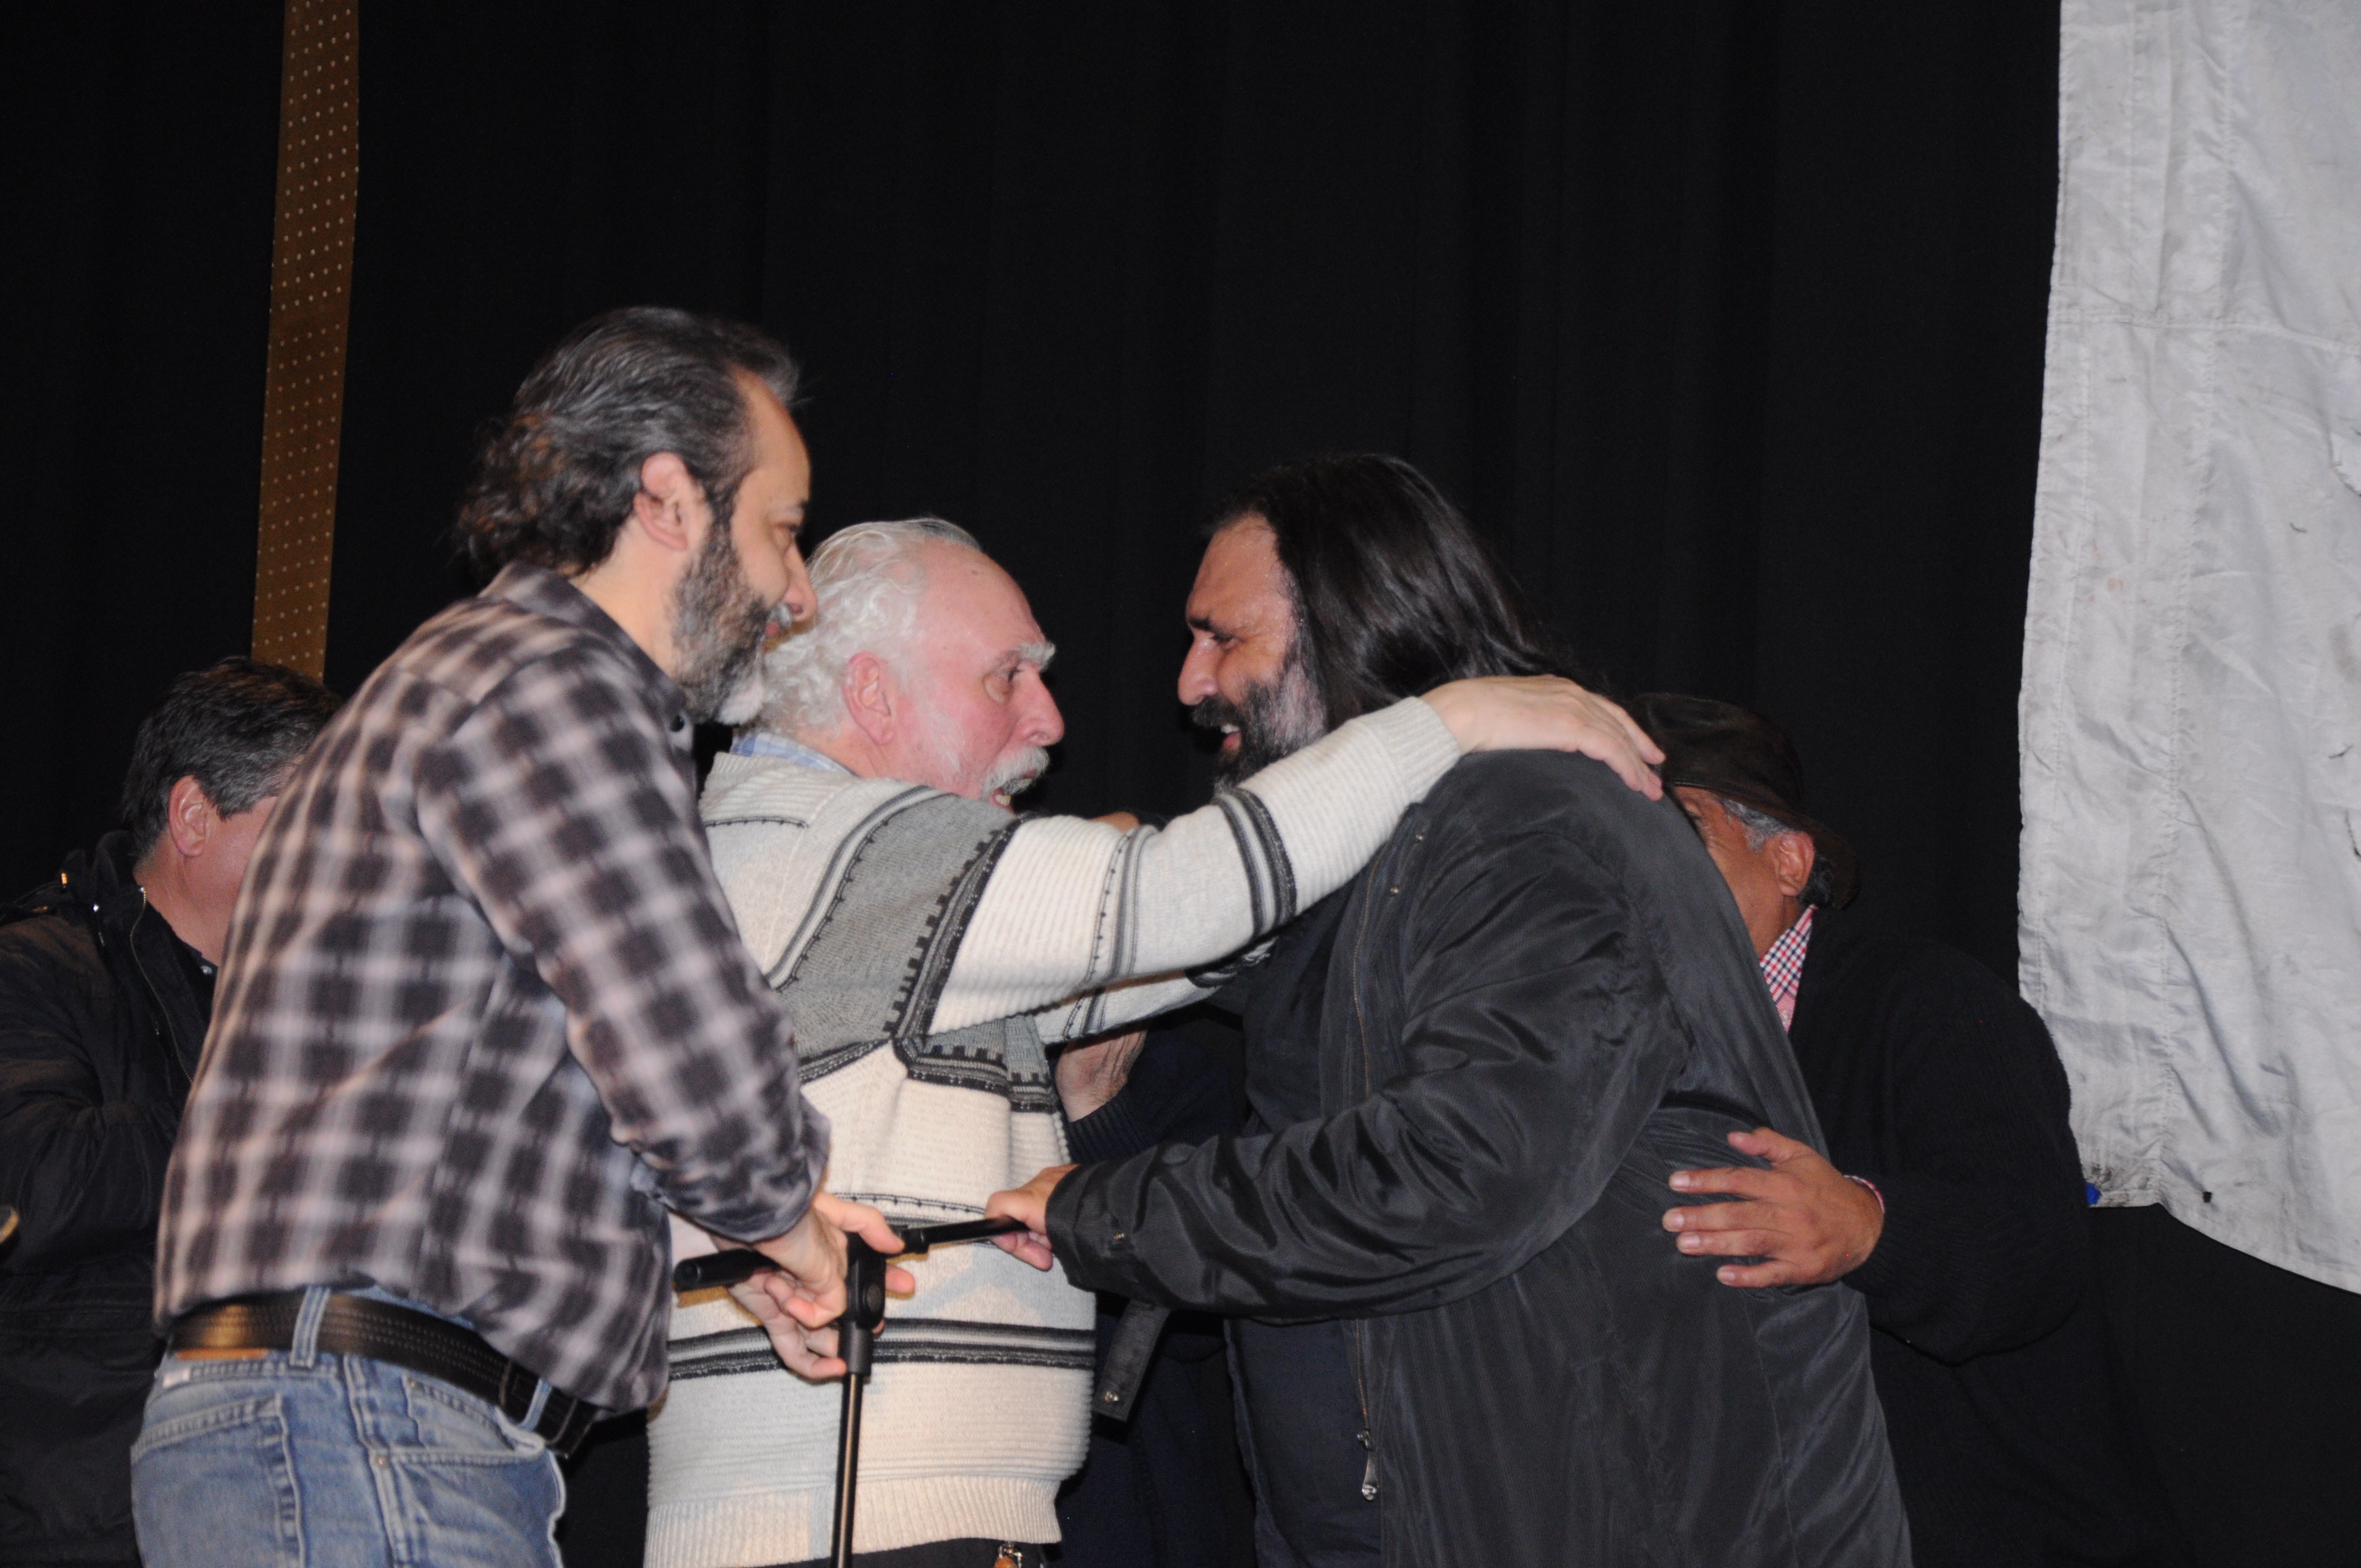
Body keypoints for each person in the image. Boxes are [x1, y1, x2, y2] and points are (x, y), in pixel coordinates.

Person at [648, 517, 1658, 1568]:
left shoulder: (810, 863)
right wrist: (1448, 719)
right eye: (1007, 677)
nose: (1049, 719)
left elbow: (1182, 947)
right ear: (873, 695)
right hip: (860, 1527)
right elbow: (1188, 897)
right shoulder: (851, 849)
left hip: (872, 1520)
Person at [987, 454, 1910, 1568]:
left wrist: (1108, 1213)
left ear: (1351, 624)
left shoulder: (1529, 822)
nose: (1189, 683)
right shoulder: (1388, 857)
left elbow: (1461, 1172)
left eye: (1222, 636)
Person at [133, 308, 911, 1568]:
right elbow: (683, 1041)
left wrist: (743, 1233)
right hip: (370, 1427)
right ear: (668, 499)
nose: (798, 590)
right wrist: (792, 1224)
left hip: (327, 1419)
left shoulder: (479, 674)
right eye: (782, 529)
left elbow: (496, 1120)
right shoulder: (556, 678)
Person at [1629, 692, 2188, 1568]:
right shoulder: (1615, 1051)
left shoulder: (1929, 1003)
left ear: (1787, 860)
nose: (1636, 872)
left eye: (1675, 833)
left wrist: (1868, 1228)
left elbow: (2035, 1253)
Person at [0, 658, 338, 1566]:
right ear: (193, 817)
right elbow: (31, 1187)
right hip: (88, 1514)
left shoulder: (318, 1006)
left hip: (290, 1496)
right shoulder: (34, 966)